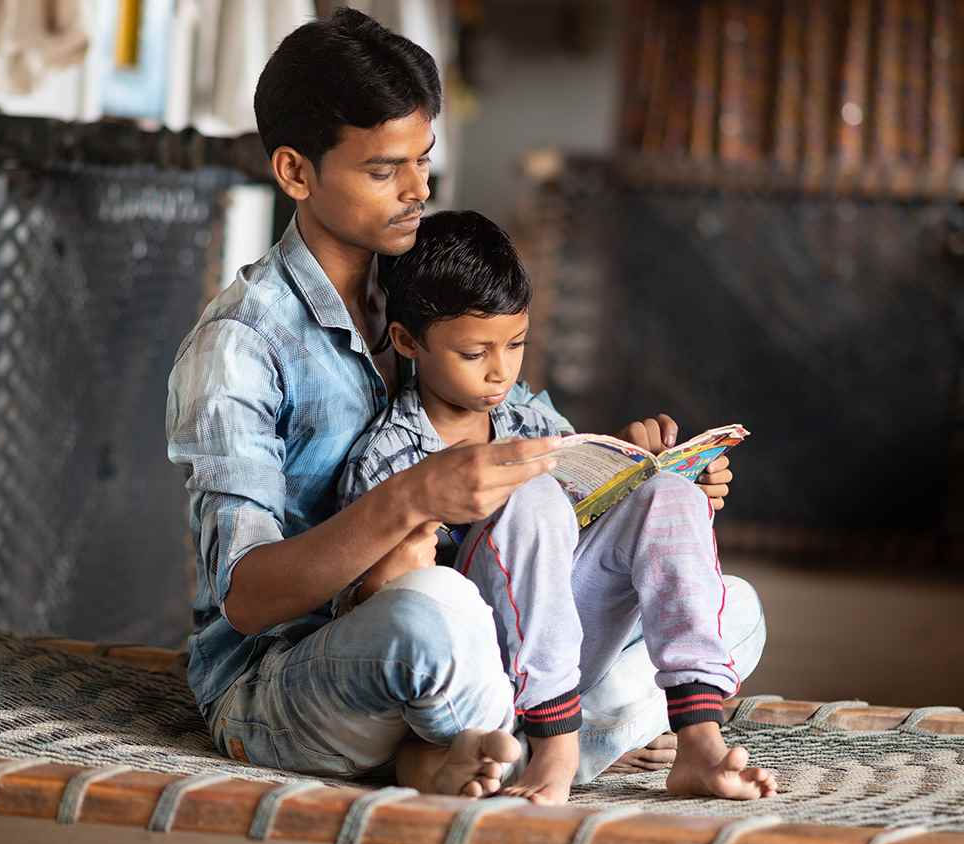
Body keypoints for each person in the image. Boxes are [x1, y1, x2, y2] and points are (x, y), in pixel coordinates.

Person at [166, 7, 758, 802]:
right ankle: (538, 742)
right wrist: (415, 496)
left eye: (425, 160)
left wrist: (629, 481)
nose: (419, 190)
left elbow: (529, 448)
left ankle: (483, 744)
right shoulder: (240, 343)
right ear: (296, 173)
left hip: (484, 637)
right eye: (384, 170)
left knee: (729, 605)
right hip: (303, 671)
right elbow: (244, 599)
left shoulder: (427, 284)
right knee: (430, 613)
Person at [332, 209, 776, 802]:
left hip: (562, 651)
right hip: (476, 674)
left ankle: (697, 740)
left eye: (515, 344)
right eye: (473, 354)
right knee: (532, 489)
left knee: (678, 517)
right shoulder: (387, 459)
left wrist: (643, 479)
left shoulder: (532, 419)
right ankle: (565, 746)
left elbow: (581, 528)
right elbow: (380, 616)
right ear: (410, 341)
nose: (500, 370)